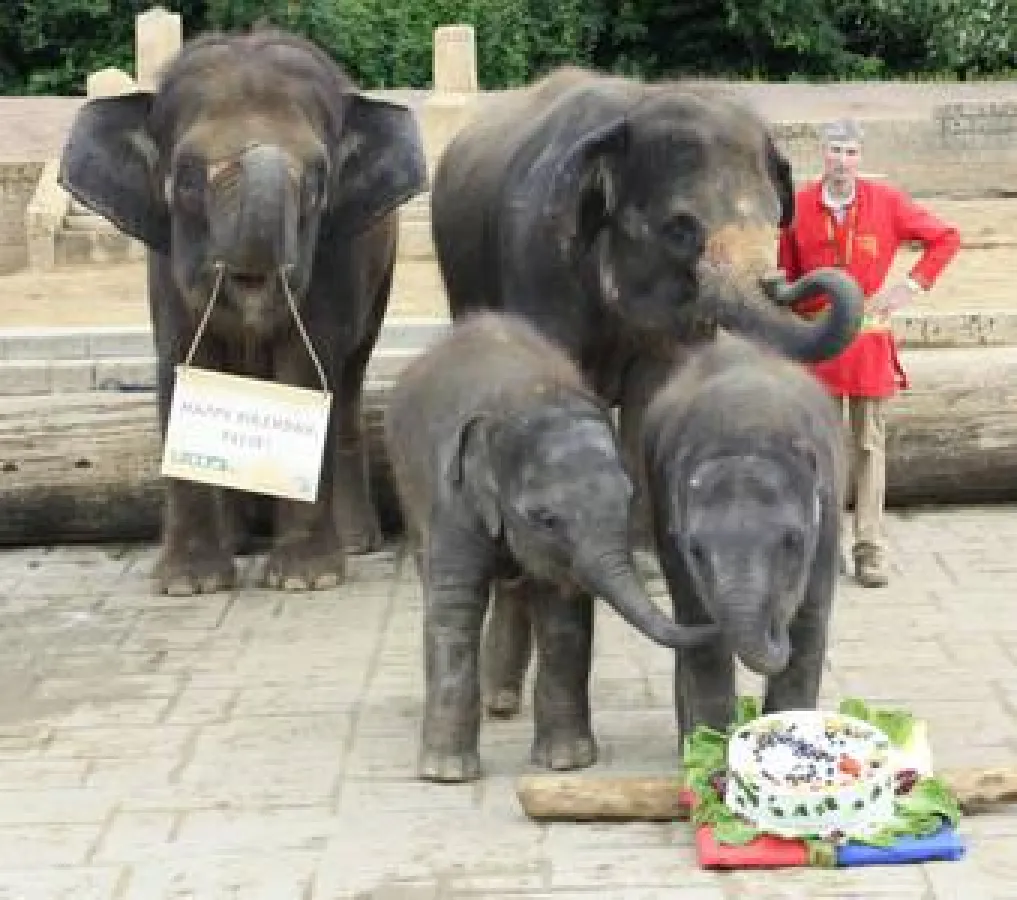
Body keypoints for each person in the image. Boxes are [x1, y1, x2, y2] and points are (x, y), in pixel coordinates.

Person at [777, 118, 961, 588]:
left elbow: (946, 239)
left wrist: (910, 286)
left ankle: (870, 548)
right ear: (823, 154)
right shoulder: (797, 208)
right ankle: (824, 547)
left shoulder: (887, 202)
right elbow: (787, 276)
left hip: (867, 343)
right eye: (835, 150)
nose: (842, 161)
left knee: (867, 446)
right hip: (817, 345)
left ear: (861, 157)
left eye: (851, 152)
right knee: (818, 448)